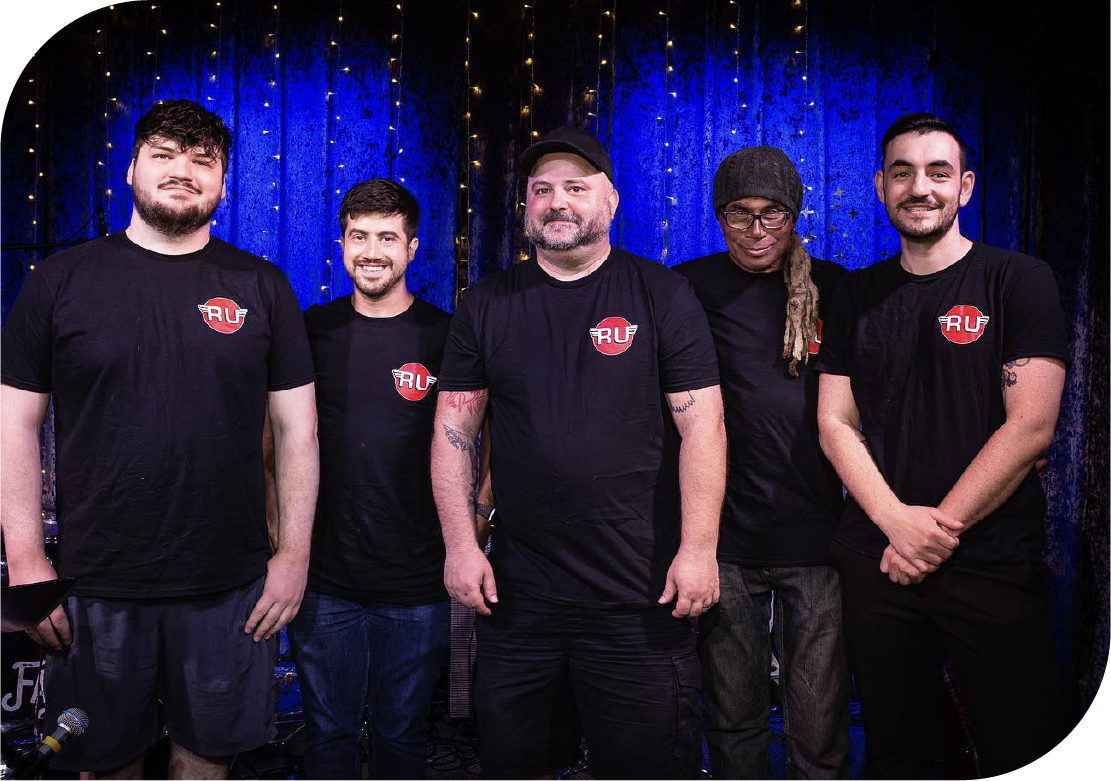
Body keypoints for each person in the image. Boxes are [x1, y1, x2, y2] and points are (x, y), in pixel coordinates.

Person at [0, 99, 319, 781]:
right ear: (130, 169)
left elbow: (299, 432)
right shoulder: (59, 282)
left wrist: (292, 556)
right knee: (103, 763)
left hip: (230, 584)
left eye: (202, 160)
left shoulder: (262, 287)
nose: (183, 171)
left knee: (207, 760)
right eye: (164, 155)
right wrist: (27, 561)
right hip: (96, 581)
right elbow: (14, 426)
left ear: (224, 184)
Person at [430, 125, 726, 781]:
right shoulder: (485, 305)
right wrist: (459, 543)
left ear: (611, 201)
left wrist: (699, 547)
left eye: (574, 187)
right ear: (525, 207)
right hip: (520, 598)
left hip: (638, 595)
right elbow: (453, 431)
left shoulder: (661, 294)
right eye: (542, 190)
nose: (557, 202)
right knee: (517, 763)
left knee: (648, 766)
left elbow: (702, 428)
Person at [815, 112, 1069, 780]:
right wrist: (898, 526)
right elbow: (834, 423)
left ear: (965, 187)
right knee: (897, 754)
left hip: (989, 559)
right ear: (878, 185)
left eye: (937, 172)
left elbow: (1030, 426)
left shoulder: (1017, 279)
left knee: (1017, 749)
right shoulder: (855, 293)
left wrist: (933, 533)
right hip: (880, 561)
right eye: (901, 172)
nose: (918, 187)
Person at [675, 146, 848, 780]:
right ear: (719, 218)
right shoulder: (688, 285)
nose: (756, 230)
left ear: (794, 215)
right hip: (725, 537)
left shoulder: (835, 286)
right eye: (739, 214)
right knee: (732, 713)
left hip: (816, 535)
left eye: (772, 214)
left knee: (818, 716)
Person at [279, 179, 451, 781]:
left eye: (386, 237)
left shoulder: (447, 335)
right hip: (324, 578)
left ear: (412, 248)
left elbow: (489, 432)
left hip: (418, 579)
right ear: (341, 244)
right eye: (358, 236)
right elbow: (272, 437)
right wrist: (280, 540)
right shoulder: (310, 330)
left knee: (403, 735)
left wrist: (480, 515)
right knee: (328, 735)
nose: (371, 250)